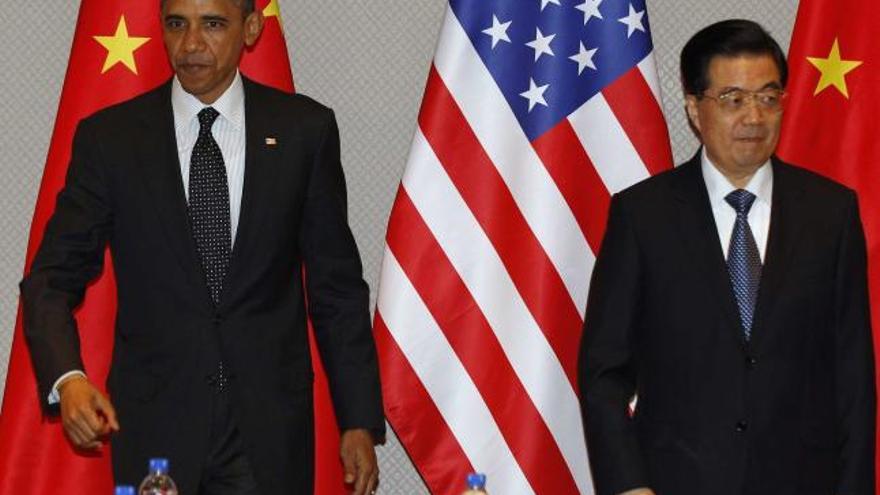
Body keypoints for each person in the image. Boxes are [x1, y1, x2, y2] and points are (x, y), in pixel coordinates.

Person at [19, 0, 384, 493]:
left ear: (250, 28)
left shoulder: (304, 131)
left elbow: (335, 287)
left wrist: (357, 420)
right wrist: (69, 379)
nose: (191, 44)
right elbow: (50, 278)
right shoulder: (112, 139)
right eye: (177, 24)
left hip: (267, 431)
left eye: (212, 24)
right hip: (154, 426)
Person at [579, 19, 875, 495]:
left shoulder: (831, 213)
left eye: (767, 97)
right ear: (695, 109)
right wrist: (628, 485)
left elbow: (854, 378)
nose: (754, 117)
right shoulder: (643, 216)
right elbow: (604, 373)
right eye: (733, 99)